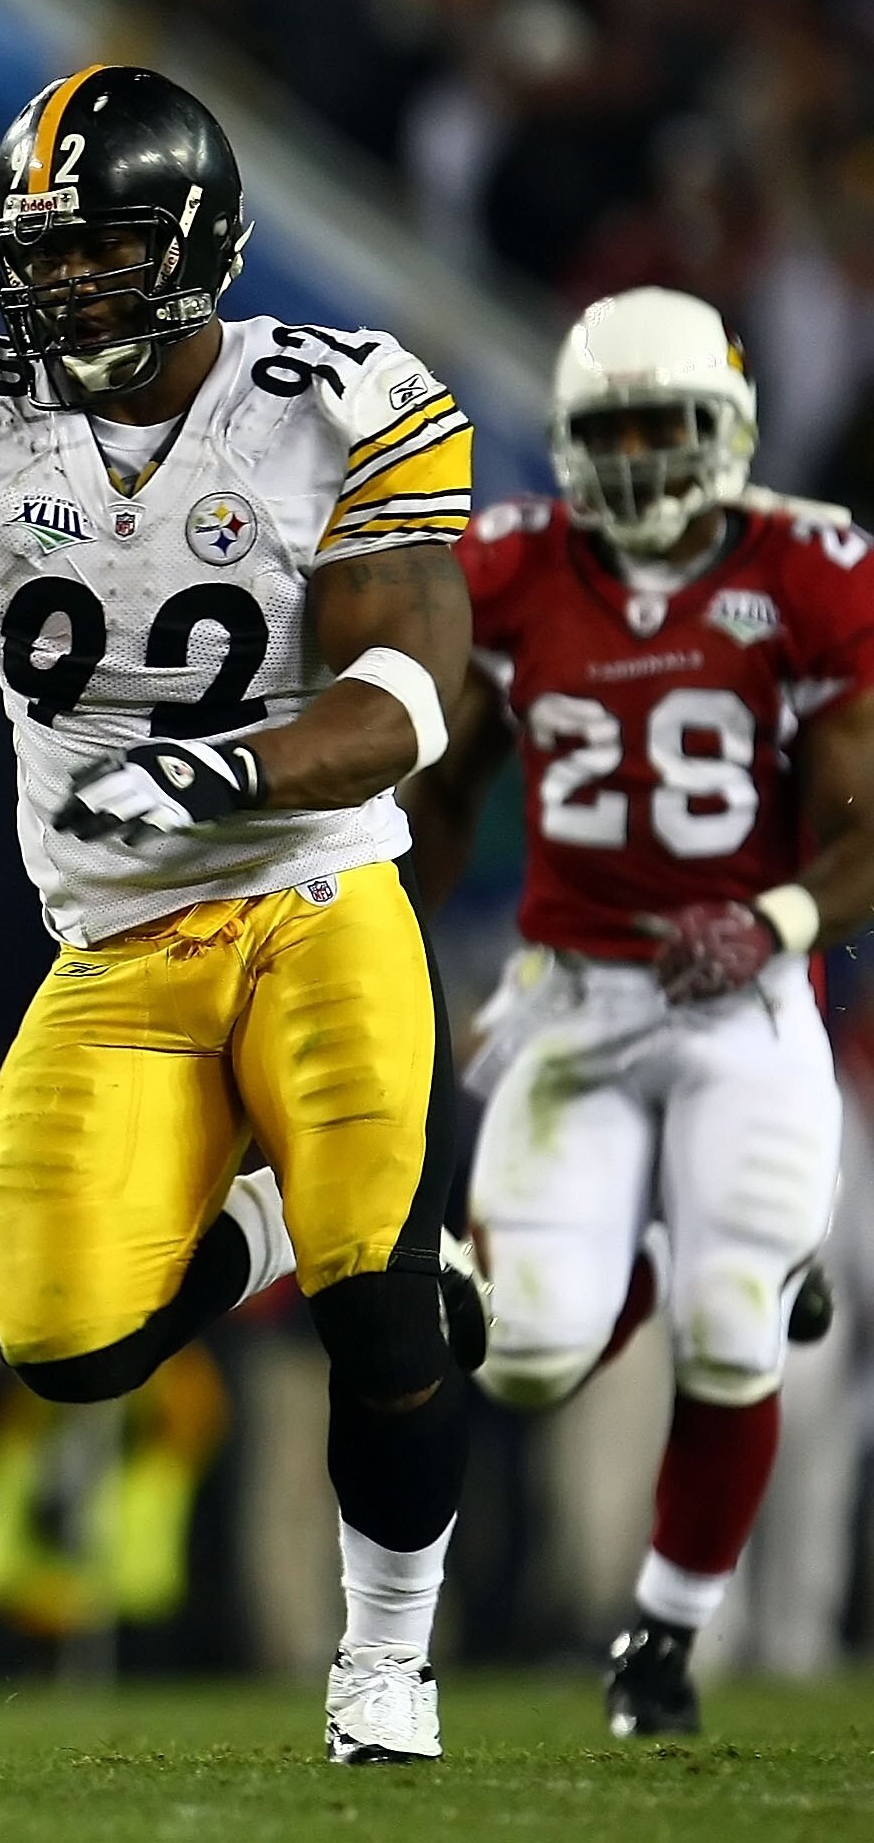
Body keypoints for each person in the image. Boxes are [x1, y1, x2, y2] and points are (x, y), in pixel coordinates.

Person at [0, 65, 483, 1762]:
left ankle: (384, 1667)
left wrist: (226, 777)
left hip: (311, 891)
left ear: (198, 247)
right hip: (114, 950)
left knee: (381, 1304)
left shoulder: (329, 401)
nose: (62, 286)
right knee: (68, 1345)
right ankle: (265, 1227)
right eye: (41, 253)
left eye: (100, 251)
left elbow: (409, 689)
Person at [401, 286, 873, 1740]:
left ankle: (661, 1649)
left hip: (746, 1004)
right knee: (528, 1360)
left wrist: (777, 919)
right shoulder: (517, 570)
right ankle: (685, 1249)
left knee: (740, 1335)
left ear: (725, 425)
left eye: (667, 424)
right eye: (613, 431)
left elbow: (868, 825)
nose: (642, 457)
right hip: (575, 1001)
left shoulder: (811, 568)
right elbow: (449, 790)